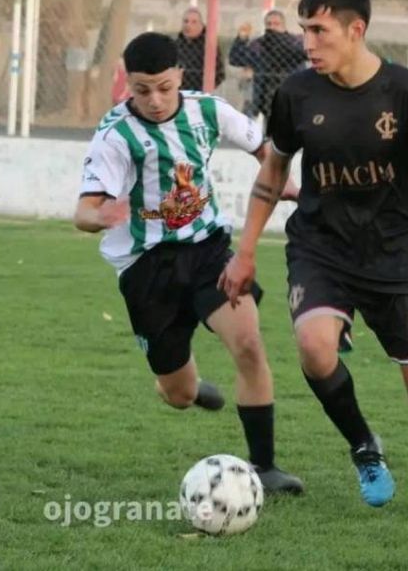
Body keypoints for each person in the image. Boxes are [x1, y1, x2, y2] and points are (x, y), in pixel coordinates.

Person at [219, 0, 408, 527]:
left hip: (404, 257)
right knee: (315, 348)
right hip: (323, 248)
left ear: (355, 29)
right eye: (304, 31)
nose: (307, 43)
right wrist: (245, 250)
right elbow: (274, 171)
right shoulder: (296, 94)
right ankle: (365, 445)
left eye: (319, 30)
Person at [74, 32, 302, 494]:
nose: (154, 100)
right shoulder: (116, 135)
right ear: (128, 85)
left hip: (207, 251)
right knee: (176, 395)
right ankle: (190, 389)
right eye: (141, 90)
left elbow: (265, 150)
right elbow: (83, 210)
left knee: (249, 345)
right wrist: (100, 215)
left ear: (180, 74)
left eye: (163, 86)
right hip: (146, 269)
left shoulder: (209, 110)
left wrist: (288, 185)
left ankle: (265, 468)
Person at [228, 10, 307, 120]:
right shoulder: (259, 44)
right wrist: (242, 39)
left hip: (290, 96)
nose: (272, 27)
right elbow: (235, 59)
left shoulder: (294, 42)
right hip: (264, 96)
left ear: (283, 25)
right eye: (269, 24)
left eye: (276, 24)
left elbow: (303, 55)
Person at [176, 7, 225, 92]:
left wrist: (203, 89)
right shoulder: (176, 44)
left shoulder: (209, 46)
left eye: (194, 22)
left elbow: (219, 74)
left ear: (201, 25)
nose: (188, 25)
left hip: (200, 92)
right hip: (178, 91)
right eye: (186, 21)